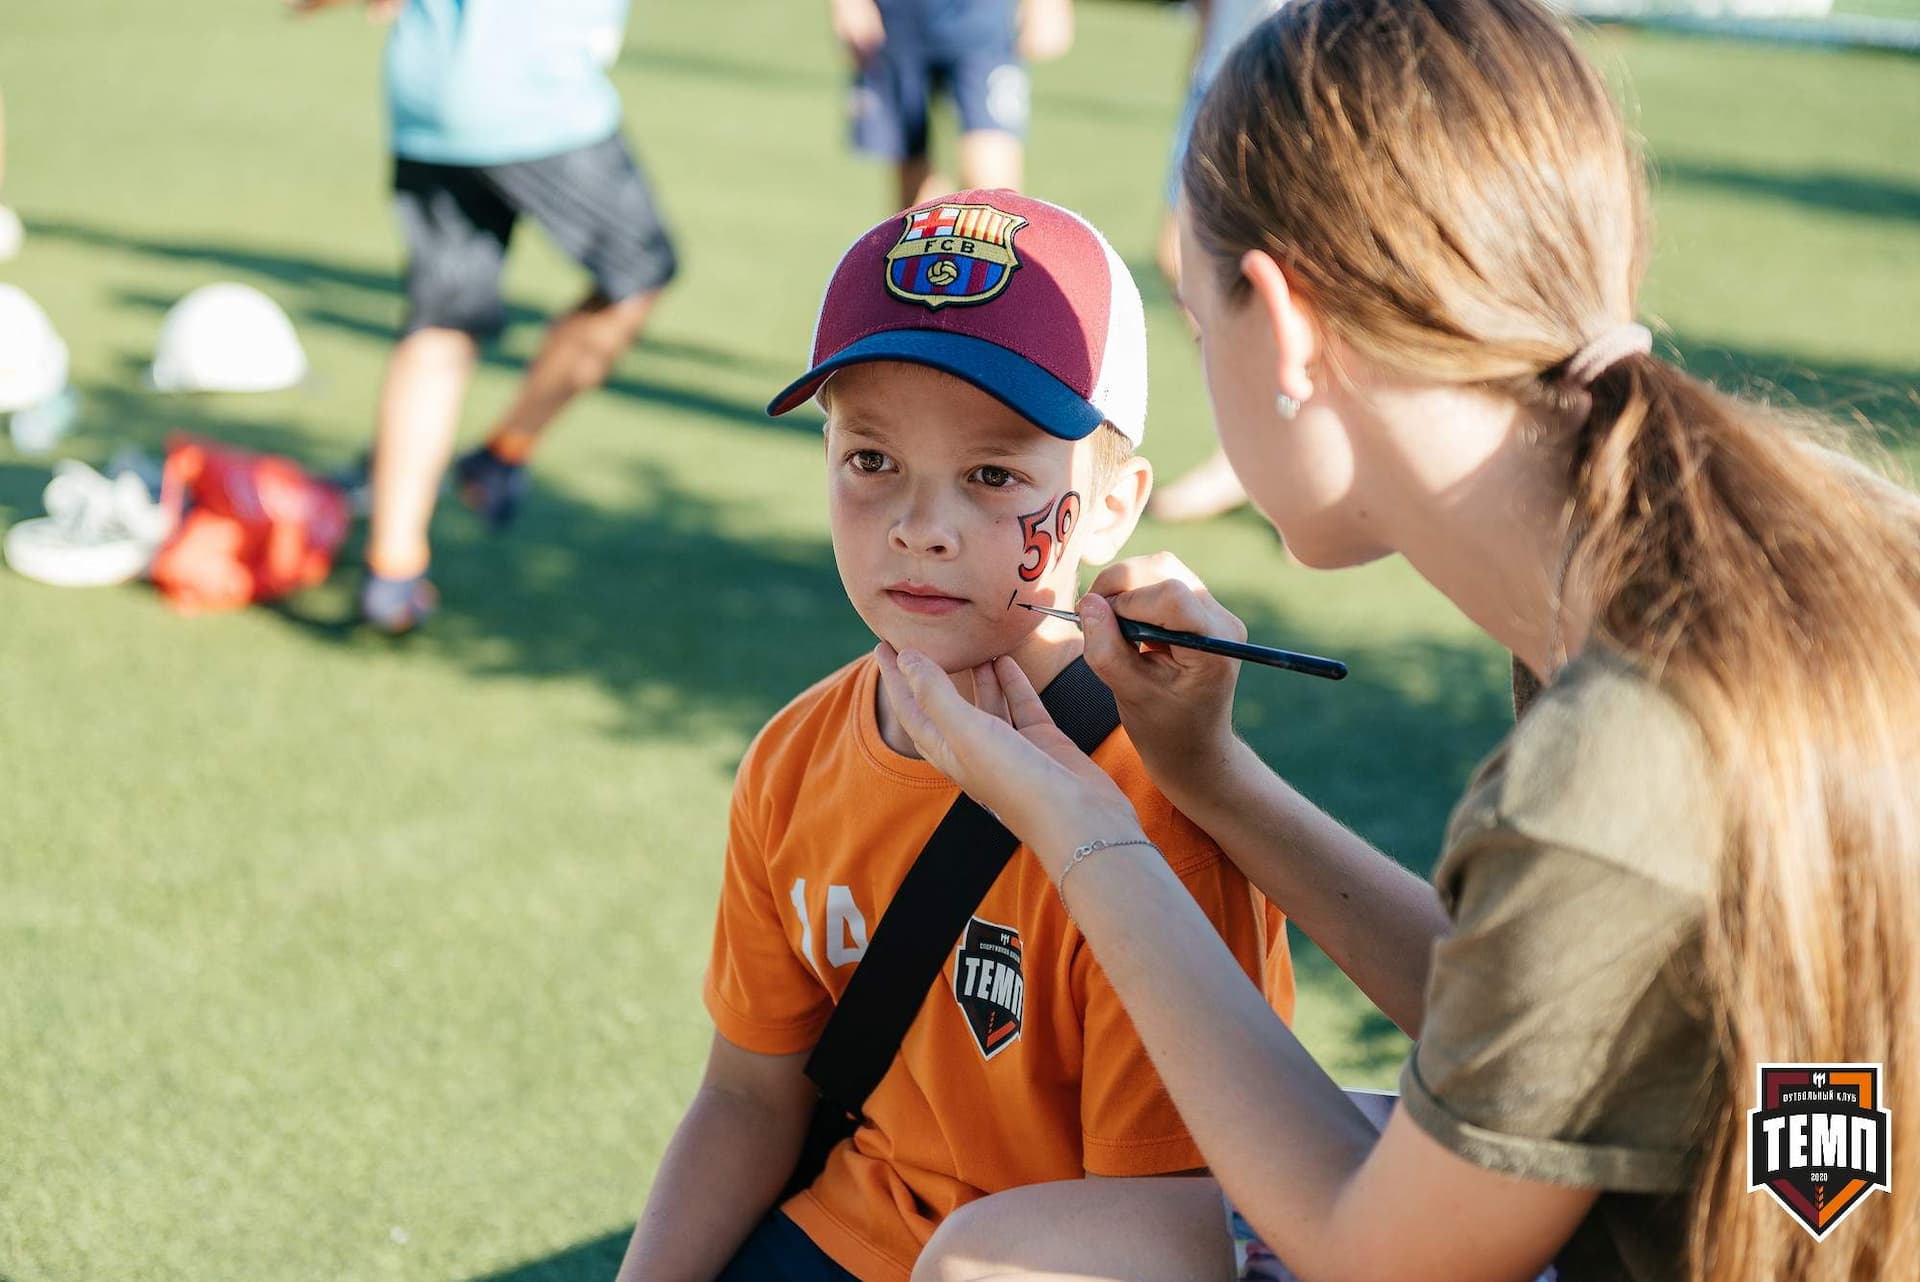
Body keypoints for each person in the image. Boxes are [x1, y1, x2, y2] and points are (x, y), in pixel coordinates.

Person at [870, 2, 1920, 1281]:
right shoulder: (1703, 560)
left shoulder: (1624, 743)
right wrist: (1209, 778)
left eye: (1204, 330)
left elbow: (1384, 1255)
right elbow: (1546, 1020)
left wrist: (1085, 823)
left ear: (1287, 327)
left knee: (1001, 1267)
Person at [613, 191, 1292, 1282]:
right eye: (870, 458)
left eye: (991, 475)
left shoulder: (1164, 811)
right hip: (854, 1225)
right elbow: (747, 1096)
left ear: (1112, 504)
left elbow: (1167, 1228)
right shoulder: (795, 755)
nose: (919, 526)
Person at [295, 0, 678, 632]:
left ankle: (393, 570)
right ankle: (502, 453)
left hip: (428, 97)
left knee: (440, 324)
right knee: (639, 274)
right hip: (537, 95)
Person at [1144, 0, 1283, 526]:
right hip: (1218, 70)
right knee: (1178, 256)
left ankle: (1282, 460)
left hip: (1283, 74)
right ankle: (1250, 448)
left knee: (1278, 276)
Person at [832, 0, 1073, 211]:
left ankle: (997, 257)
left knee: (991, 179)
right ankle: (921, 258)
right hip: (897, 20)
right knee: (911, 174)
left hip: (982, 22)